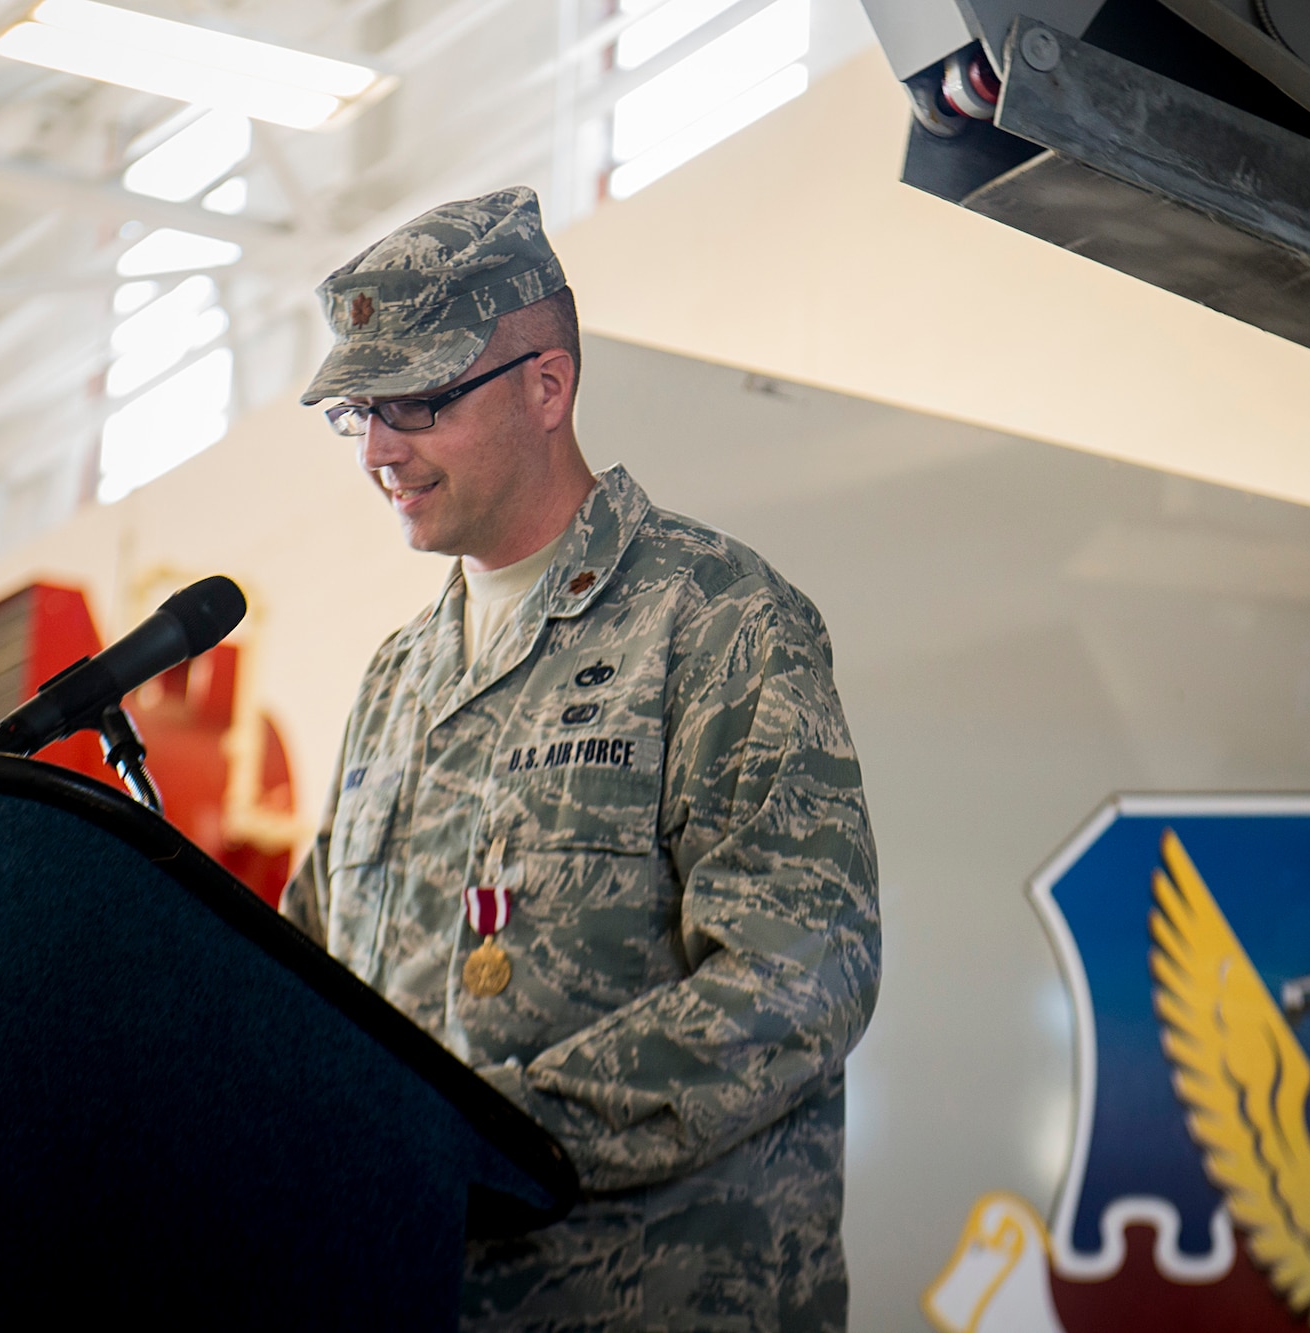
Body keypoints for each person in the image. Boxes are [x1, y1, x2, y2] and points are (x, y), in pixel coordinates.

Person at [280, 188, 881, 1332]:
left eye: (416, 402)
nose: (378, 451)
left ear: (546, 385)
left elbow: (803, 976)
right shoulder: (396, 678)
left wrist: (490, 1145)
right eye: (358, 410)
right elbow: (310, 975)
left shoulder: (713, 620)